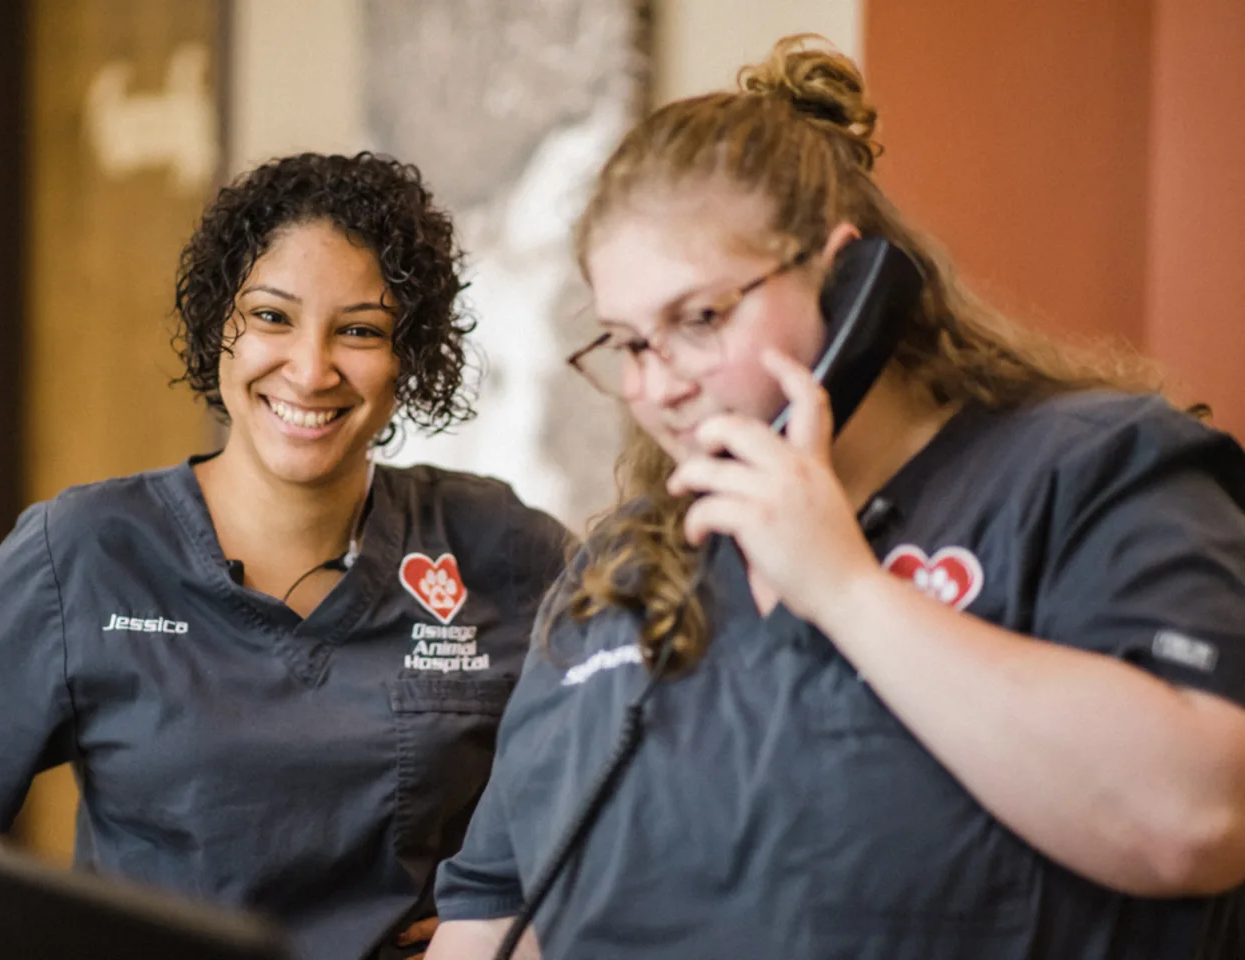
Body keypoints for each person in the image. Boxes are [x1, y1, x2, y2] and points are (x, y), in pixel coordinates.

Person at [426, 36, 1245, 960]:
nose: (657, 386)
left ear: (847, 278)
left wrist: (844, 588)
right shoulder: (618, 571)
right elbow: (492, 912)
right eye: (628, 342)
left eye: (700, 319)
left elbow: (1197, 819)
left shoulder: (1089, 471)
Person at [0, 152, 572, 960]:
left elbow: (652, 761)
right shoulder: (83, 550)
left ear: (407, 363)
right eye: (273, 318)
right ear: (221, 327)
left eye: (359, 330)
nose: (311, 369)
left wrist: (519, 920)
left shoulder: (500, 547)